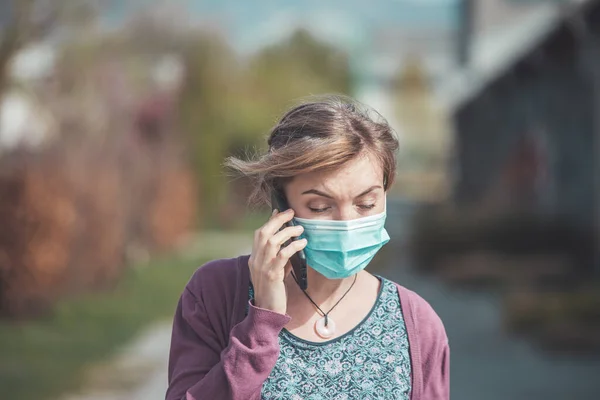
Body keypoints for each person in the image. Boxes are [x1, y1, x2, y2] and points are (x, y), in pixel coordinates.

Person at [166, 95, 449, 400]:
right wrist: (260, 326)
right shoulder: (215, 293)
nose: (346, 222)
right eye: (319, 206)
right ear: (281, 203)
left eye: (366, 203)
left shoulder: (418, 324)